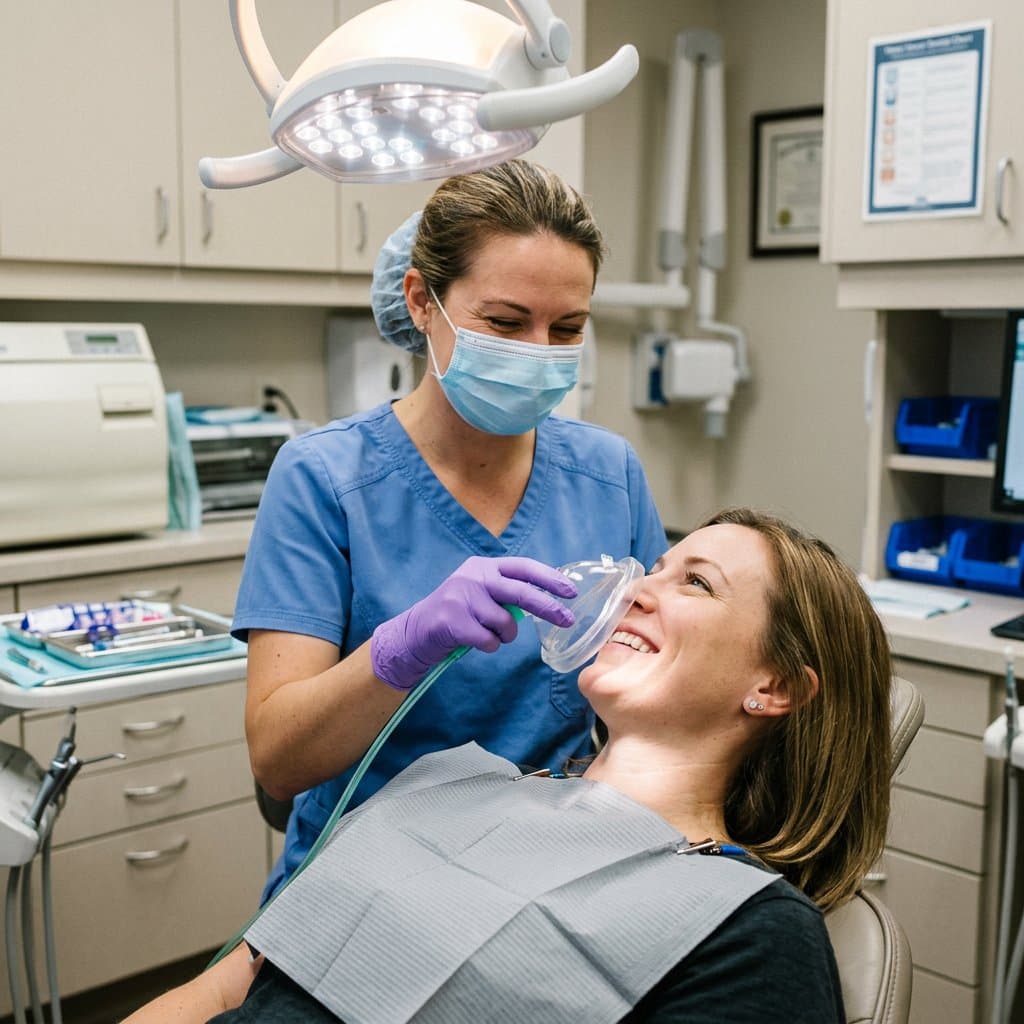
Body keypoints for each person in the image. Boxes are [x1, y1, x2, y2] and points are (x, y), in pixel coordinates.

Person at [125, 507, 892, 1024]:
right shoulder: (452, 784)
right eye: (652, 567)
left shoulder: (750, 932)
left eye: (695, 582)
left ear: (776, 686)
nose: (637, 592)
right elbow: (228, 985)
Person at [231, 158, 668, 903]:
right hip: (364, 882)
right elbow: (279, 761)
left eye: (566, 329)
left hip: (549, 871)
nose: (536, 351)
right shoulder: (323, 479)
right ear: (421, 302)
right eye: (503, 322)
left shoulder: (609, 473)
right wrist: (401, 650)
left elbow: (664, 689)